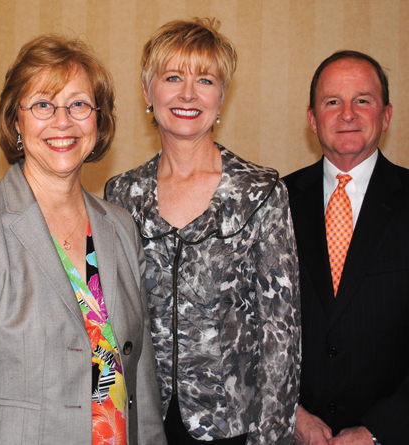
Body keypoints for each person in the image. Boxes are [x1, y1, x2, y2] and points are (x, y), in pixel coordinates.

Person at [0, 34, 166, 445]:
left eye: (79, 104)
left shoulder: (120, 227)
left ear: (98, 119)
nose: (62, 121)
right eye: (43, 105)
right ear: (16, 120)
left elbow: (141, 379)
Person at [105, 17, 300, 445]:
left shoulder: (260, 192)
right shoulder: (121, 194)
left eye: (205, 80)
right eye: (173, 77)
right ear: (147, 92)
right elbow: (112, 322)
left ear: (221, 95)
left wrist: (271, 437)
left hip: (234, 427)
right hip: (141, 420)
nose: (188, 94)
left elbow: (281, 335)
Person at [284, 51, 408, 445]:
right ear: (312, 119)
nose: (348, 114)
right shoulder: (274, 201)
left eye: (363, 100)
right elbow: (249, 323)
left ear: (386, 115)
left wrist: (379, 430)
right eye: (333, 101)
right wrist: (291, 414)